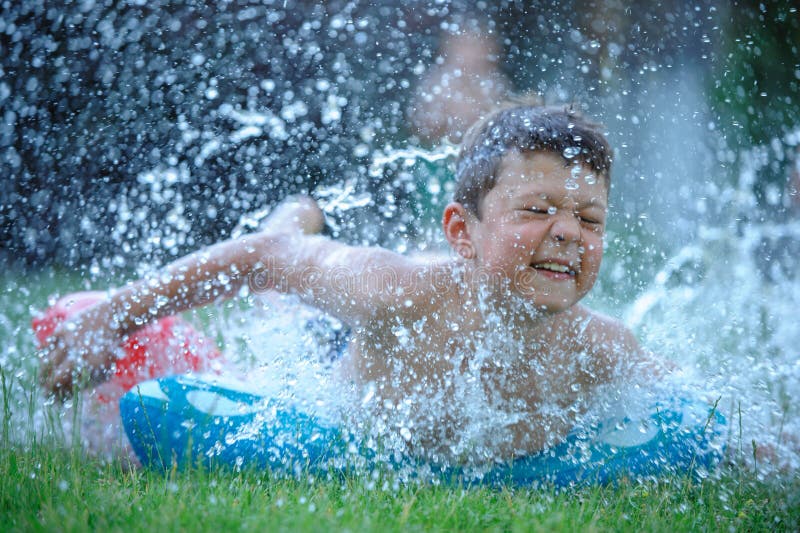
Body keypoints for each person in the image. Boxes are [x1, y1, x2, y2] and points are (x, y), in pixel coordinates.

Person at [39, 102, 664, 462]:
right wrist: (112, 316)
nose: (566, 233)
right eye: (536, 209)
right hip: (337, 360)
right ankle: (297, 212)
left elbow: (700, 410)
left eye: (590, 219)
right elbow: (262, 256)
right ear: (462, 231)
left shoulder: (602, 349)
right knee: (280, 303)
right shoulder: (399, 290)